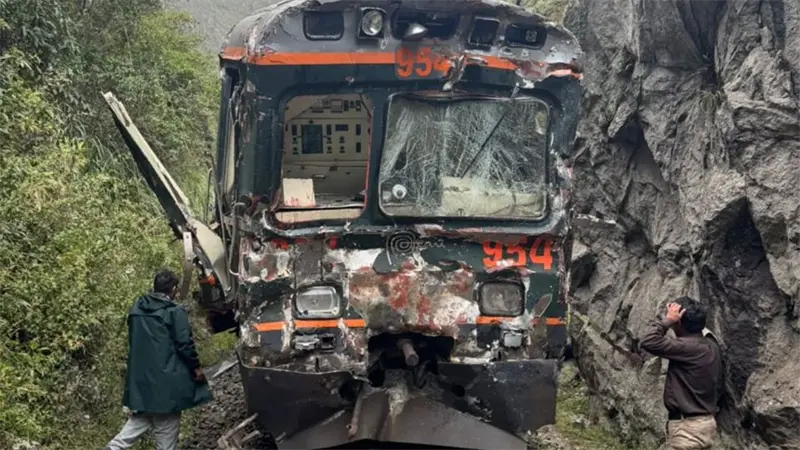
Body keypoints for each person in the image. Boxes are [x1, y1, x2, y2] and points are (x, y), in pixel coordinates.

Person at [104, 269, 213, 450]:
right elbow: (184, 345)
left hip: (142, 388)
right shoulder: (174, 312)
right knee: (166, 438)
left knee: (132, 430)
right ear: (173, 289)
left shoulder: (136, 310)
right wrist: (196, 368)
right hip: (166, 390)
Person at [639, 297, 722, 450]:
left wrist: (668, 320)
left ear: (679, 322)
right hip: (706, 424)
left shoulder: (687, 347)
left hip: (688, 429)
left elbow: (648, 341)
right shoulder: (711, 344)